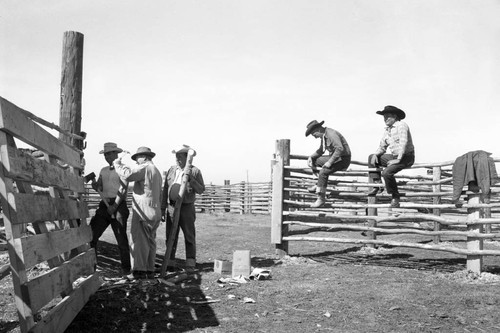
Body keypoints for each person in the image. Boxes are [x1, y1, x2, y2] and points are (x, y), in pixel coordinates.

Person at [114, 146, 163, 280]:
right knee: (150, 242)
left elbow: (128, 174)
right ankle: (149, 269)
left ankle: (139, 271)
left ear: (145, 157)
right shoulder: (156, 171)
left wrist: (117, 164)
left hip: (144, 211)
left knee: (139, 241)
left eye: (137, 158)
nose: (136, 161)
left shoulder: (145, 167)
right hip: (154, 210)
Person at [161, 144, 205, 271]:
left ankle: (190, 263)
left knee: (189, 235)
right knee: (170, 236)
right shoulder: (171, 170)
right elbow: (165, 191)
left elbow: (201, 190)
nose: (177, 159)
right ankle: (170, 262)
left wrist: (191, 180)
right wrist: (163, 208)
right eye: (176, 156)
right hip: (171, 207)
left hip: (186, 207)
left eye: (180, 156)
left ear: (187, 157)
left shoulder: (195, 171)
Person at [89, 142, 131, 275]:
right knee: (91, 236)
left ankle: (126, 269)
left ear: (116, 154)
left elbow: (123, 190)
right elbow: (100, 187)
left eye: (109, 154)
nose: (107, 156)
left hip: (119, 205)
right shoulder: (103, 170)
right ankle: (92, 267)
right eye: (105, 154)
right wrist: (95, 185)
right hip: (104, 205)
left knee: (121, 239)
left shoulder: (124, 169)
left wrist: (114, 206)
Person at [367, 105, 415, 208]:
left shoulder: (401, 125)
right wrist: (376, 154)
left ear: (395, 116)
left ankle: (395, 197)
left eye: (388, 116)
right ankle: (377, 184)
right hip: (395, 156)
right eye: (384, 117)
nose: (385, 119)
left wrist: (398, 159)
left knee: (387, 172)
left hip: (406, 157)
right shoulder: (387, 130)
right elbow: (382, 146)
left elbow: (404, 143)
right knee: (371, 157)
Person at [305, 120, 351, 208]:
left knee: (323, 172)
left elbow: (340, 149)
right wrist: (311, 157)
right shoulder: (324, 136)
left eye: (314, 134)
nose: (314, 137)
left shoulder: (331, 134)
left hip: (343, 159)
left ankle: (321, 199)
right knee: (315, 161)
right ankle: (318, 183)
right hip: (336, 158)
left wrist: (330, 162)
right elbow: (321, 150)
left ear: (318, 130)